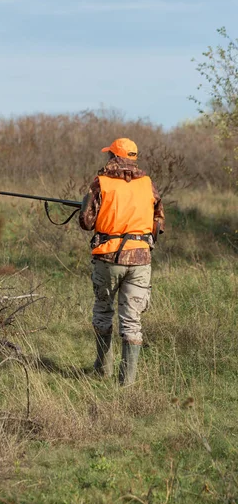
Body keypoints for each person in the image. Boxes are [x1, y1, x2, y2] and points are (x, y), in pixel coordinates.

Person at [79, 138, 165, 386]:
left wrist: (86, 205)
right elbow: (157, 222)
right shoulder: (148, 185)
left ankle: (101, 370)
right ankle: (126, 382)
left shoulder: (101, 182)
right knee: (132, 320)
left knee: (104, 311)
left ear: (113, 157)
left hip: (108, 257)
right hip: (141, 259)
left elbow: (86, 222)